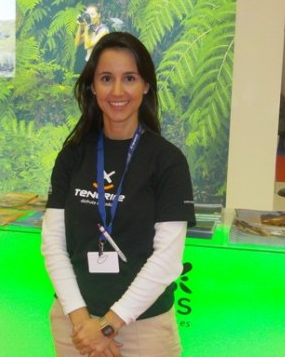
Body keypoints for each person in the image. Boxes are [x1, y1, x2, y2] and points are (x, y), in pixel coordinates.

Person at [41, 31, 195, 357]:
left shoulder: (167, 161)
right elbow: (53, 244)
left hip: (143, 330)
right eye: (106, 78)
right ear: (92, 87)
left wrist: (109, 325)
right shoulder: (73, 154)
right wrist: (83, 321)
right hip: (75, 326)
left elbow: (167, 261)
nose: (117, 90)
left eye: (129, 78)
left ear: (146, 86)